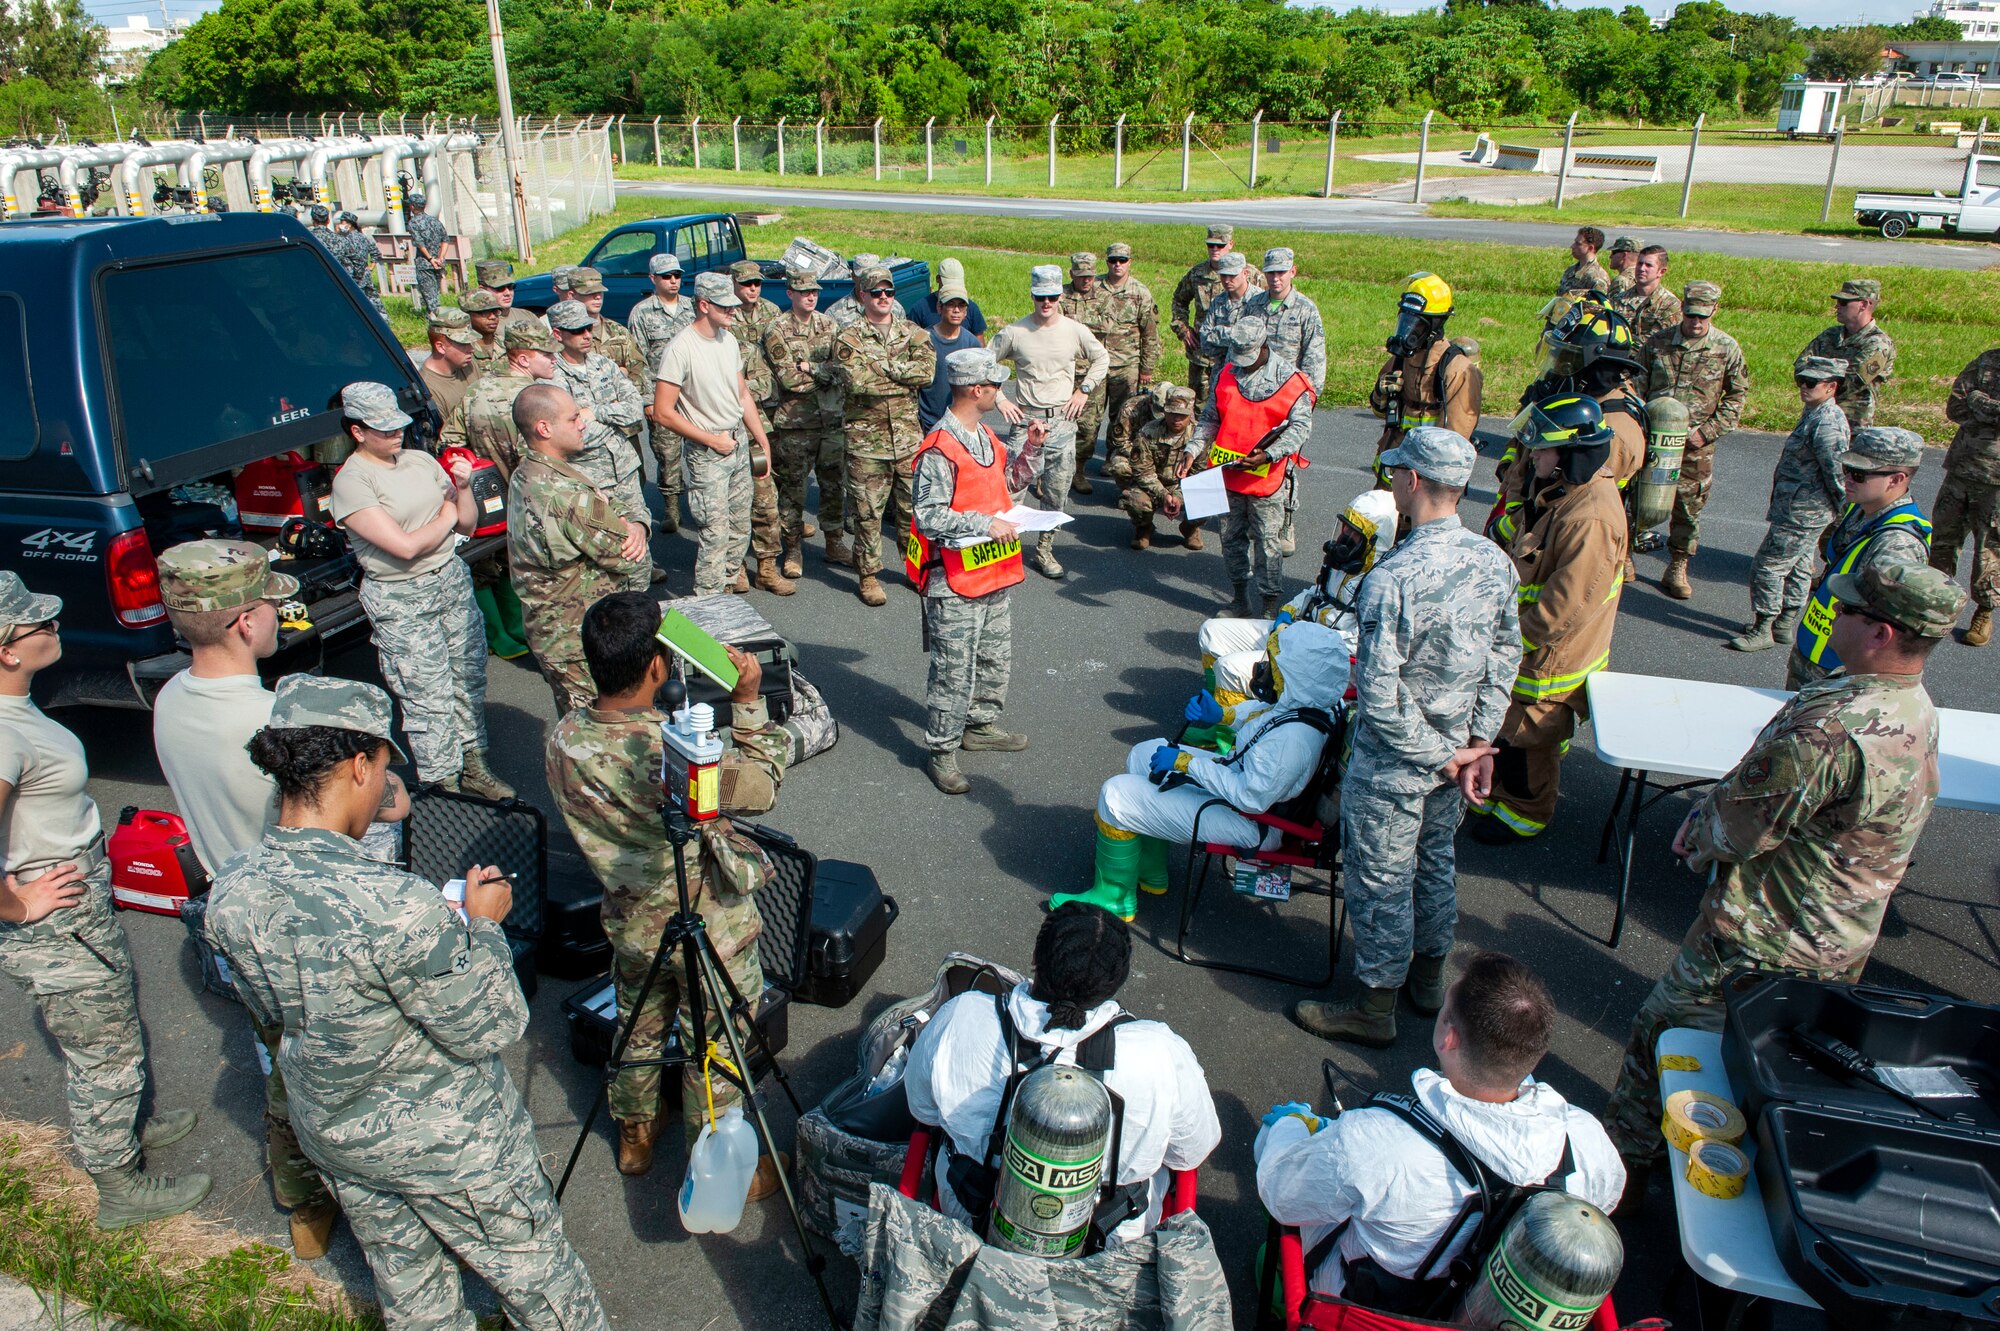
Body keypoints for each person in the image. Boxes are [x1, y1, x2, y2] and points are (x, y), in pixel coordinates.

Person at [207, 675, 610, 1331]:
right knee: (546, 1290)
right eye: (384, 764)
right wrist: (483, 925)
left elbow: (271, 1011)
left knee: (414, 1296)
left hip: (335, 1132)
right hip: (448, 1144)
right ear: (360, 764)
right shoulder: (396, 905)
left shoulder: (232, 890)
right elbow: (491, 1022)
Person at [1602, 561, 1961, 1189]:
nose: (1829, 614)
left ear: (1880, 632)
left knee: (1661, 1038)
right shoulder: (1912, 708)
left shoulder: (1832, 727)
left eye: (1845, 610)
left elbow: (1740, 828)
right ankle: (1736, 1171)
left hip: (1762, 932)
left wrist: (1699, 829)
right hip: (1835, 937)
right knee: (1766, 1064)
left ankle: (1623, 1177)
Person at [545, 593, 788, 1193]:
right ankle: (717, 1167)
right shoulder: (672, 749)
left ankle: (635, 1135)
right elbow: (759, 786)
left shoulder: (564, 738)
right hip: (705, 923)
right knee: (716, 1039)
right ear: (658, 666)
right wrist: (748, 703)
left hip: (628, 918)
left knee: (639, 1022)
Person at [149, 541, 351, 1255]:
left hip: (229, 912)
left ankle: (302, 1205)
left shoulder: (170, 697)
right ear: (243, 621)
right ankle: (348, 1193)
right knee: (335, 1069)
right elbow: (350, 816)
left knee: (276, 1057)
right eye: (269, 602)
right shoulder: (274, 723)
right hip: (297, 920)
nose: (277, 613)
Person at [1292, 429, 1519, 1048]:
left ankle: (1374, 1006)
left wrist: (1447, 756)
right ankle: (1427, 982)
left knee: (1383, 877)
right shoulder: (1493, 561)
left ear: (1413, 483)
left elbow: (1381, 697)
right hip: (1459, 755)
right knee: (1435, 864)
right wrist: (1479, 747)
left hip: (1399, 762)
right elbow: (1505, 658)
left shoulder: (1392, 578)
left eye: (1396, 473)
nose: (1390, 481)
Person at [0, 573, 212, 1230]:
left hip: (77, 904)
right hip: (56, 920)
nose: (52, 624)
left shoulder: (16, 708)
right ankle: (118, 1181)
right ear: (6, 647)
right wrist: (16, 904)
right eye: (37, 622)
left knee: (112, 1021)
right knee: (103, 1048)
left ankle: (132, 1120)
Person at [1258, 952, 1623, 1303]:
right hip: (1484, 1311)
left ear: (1448, 1038)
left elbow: (1282, 1195)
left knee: (1279, 1149)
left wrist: (1289, 1126)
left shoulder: (1375, 1139)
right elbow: (1606, 1198)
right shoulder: (1586, 1139)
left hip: (1376, 1308)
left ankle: (1275, 1282)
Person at [904, 902, 1221, 1245]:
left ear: (1035, 957)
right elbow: (1190, 1152)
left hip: (971, 1226)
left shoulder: (961, 1017)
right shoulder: (1160, 1052)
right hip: (1113, 1253)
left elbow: (923, 1110)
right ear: (1115, 982)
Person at [1059, 619, 1346, 922]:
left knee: (1115, 795)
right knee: (1145, 754)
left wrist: (1188, 764)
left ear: (1297, 676)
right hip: (1249, 795)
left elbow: (1249, 797)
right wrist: (1222, 714)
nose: (1269, 670)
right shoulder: (1314, 703)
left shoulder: (1293, 742)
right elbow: (1268, 719)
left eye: (1277, 667)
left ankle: (1113, 898)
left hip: (1253, 823)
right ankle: (1150, 870)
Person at [330, 382, 509, 798]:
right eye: (384, 429)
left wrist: (461, 490)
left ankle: (474, 765)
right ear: (357, 431)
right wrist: (447, 514)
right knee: (427, 694)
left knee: (468, 677)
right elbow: (404, 547)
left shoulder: (418, 460)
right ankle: (441, 781)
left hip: (448, 578)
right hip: (400, 594)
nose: (397, 434)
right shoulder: (352, 481)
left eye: (399, 426)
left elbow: (467, 523)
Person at [1470, 396, 1627, 846]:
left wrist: (1504, 641)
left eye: (1543, 450)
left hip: (1548, 656)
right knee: (1507, 727)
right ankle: (1498, 793)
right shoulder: (1561, 492)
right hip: (1527, 642)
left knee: (1529, 734)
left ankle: (1527, 814)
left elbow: (1566, 608)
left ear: (1572, 456)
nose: (1533, 455)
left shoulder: (1591, 518)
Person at [908, 348, 1034, 795]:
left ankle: (979, 726)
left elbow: (1009, 483)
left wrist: (1031, 450)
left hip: (993, 571)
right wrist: (985, 524)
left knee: (994, 659)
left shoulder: (985, 435)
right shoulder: (940, 448)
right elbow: (928, 516)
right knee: (953, 670)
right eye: (996, 384)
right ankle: (941, 750)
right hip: (955, 580)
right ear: (976, 390)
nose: (1001, 391)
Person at [507, 385, 651, 715]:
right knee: (595, 731)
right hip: (574, 638)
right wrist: (634, 525)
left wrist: (623, 517)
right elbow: (626, 554)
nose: (583, 423)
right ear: (544, 428)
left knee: (575, 726)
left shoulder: (530, 471)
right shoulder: (564, 493)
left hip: (554, 630)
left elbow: (608, 506)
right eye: (573, 418)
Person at [1194, 489, 1398, 707]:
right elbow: (1315, 592)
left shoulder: (1380, 585)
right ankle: (1216, 705)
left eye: (1355, 533)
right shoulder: (1344, 562)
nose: (1346, 535)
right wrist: (1289, 610)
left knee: (1229, 667)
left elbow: (1363, 643)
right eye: (1345, 527)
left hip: (1324, 660)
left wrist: (1301, 635)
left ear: (1374, 541)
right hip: (1298, 636)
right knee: (1211, 632)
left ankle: (1235, 728)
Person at [1488, 301, 1646, 565]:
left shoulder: (1613, 430)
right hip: (1523, 528)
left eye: (1567, 360)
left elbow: (1569, 501)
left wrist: (1509, 531)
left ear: (1596, 367)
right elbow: (1526, 458)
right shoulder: (1571, 406)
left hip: (1553, 546)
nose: (1557, 368)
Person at [654, 272, 774, 598]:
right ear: (704, 305)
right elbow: (663, 411)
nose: (734, 311)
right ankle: (709, 605)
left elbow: (742, 394)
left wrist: (760, 438)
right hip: (708, 451)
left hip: (736, 443)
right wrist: (711, 440)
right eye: (726, 307)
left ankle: (727, 587)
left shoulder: (728, 339)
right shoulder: (681, 348)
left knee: (740, 527)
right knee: (715, 532)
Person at [1184, 317, 1313, 619]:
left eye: (1248, 357)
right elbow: (1210, 417)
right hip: (1228, 476)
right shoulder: (1227, 371)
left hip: (1266, 480)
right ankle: (1240, 599)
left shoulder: (1291, 381)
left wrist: (1269, 455)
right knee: (1230, 540)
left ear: (1263, 346)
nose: (1241, 364)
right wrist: (1193, 448)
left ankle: (1269, 608)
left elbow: (1301, 428)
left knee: (1268, 546)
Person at [988, 264, 1109, 581]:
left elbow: (1102, 358)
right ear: (1032, 295)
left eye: (1053, 297)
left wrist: (1084, 390)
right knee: (1012, 490)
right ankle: (1005, 551)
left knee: (1056, 495)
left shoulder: (1074, 330)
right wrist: (1000, 398)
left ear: (1060, 296)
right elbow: (985, 362)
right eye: (1041, 297)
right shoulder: (1016, 332)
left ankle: (1044, 550)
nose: (1046, 303)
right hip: (1026, 420)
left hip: (1062, 422)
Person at [1789, 426, 1934, 690]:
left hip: (1839, 671)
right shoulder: (1861, 509)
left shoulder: (1897, 545)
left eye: (1859, 474)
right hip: (1816, 649)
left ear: (1897, 479)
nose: (1847, 479)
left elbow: (1884, 628)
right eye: (1846, 470)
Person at [1728, 356, 1851, 652]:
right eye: (1801, 381)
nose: (1803, 387)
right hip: (1802, 508)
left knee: (1768, 566)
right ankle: (1784, 624)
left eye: (1811, 383)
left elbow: (1837, 473)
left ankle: (1763, 628)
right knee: (1798, 565)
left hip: (1803, 511)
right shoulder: (1815, 413)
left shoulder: (1827, 422)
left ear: (1832, 387)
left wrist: (1841, 511)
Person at [835, 264, 937, 605]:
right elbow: (856, 382)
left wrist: (883, 369)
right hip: (866, 444)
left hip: (908, 441)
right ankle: (868, 576)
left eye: (888, 292)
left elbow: (927, 374)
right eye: (876, 292)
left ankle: (914, 570)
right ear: (862, 295)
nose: (883, 298)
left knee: (913, 513)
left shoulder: (913, 332)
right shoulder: (848, 337)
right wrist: (901, 375)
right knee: (868, 515)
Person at [1645, 281, 1748, 601]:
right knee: (1636, 496)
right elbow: (1635, 382)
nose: (1695, 322)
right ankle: (1625, 558)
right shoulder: (1659, 343)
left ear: (1714, 311)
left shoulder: (1726, 348)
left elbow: (1736, 398)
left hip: (1695, 444)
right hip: (1654, 438)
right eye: (1690, 315)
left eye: (1702, 316)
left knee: (1688, 506)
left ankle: (1677, 565)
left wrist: (1707, 431)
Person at [766, 268, 852, 574]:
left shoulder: (830, 324)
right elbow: (788, 379)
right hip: (795, 425)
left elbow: (844, 370)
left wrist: (812, 368)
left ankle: (834, 543)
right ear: (790, 294)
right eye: (804, 292)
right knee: (793, 491)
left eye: (814, 291)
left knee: (832, 487)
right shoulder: (777, 329)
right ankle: (792, 550)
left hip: (831, 422)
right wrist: (824, 373)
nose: (811, 296)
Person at [547, 299, 652, 544]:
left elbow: (634, 410)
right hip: (589, 476)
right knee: (604, 544)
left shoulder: (604, 364)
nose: (586, 335)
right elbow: (575, 434)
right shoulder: (552, 377)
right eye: (577, 331)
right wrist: (614, 418)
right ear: (558, 334)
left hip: (624, 469)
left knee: (639, 537)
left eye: (589, 328)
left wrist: (594, 412)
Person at [1244, 247, 1326, 557]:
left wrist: (1305, 404)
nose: (1275, 278)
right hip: (1252, 397)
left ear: (1293, 272)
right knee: (1251, 455)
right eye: (1270, 272)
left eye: (1281, 272)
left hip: (1288, 400)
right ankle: (1254, 512)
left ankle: (1285, 523)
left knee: (1285, 463)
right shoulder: (1252, 305)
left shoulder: (1305, 309)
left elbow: (1314, 362)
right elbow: (1239, 348)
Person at [1368, 274, 1481, 486]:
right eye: (1405, 320)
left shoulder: (1458, 371)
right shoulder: (1400, 360)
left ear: (1434, 325)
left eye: (1415, 324)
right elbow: (1378, 411)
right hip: (1391, 474)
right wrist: (1379, 394)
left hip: (1426, 480)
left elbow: (1453, 441)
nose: (1407, 329)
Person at [726, 260, 794, 595]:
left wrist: (732, 393)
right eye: (745, 284)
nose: (753, 289)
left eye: (757, 284)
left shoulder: (747, 350)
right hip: (719, 435)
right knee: (729, 506)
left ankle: (767, 567)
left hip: (757, 427)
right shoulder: (693, 348)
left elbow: (765, 382)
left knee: (765, 499)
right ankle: (735, 566)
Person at [1931, 343, 2000, 647]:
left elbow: (1970, 403)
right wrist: (1984, 407)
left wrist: (1978, 401)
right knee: (1944, 539)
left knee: (1990, 549)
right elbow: (1955, 407)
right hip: (1960, 468)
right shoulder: (1987, 360)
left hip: (1996, 482)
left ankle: (1984, 612)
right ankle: (1935, 602)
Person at [628, 252, 697, 534]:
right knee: (668, 455)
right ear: (653, 279)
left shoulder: (693, 309)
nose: (673, 281)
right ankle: (671, 507)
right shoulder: (642, 313)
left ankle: (700, 504)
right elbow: (637, 360)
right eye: (667, 276)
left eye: (677, 276)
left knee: (699, 451)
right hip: (661, 396)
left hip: (692, 395)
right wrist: (647, 400)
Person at [444, 321, 560, 481]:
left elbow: (449, 444)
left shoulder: (475, 390)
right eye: (547, 355)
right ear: (524, 360)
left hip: (487, 491)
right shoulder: (535, 399)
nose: (554, 359)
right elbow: (541, 464)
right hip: (527, 496)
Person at [1170, 223, 1264, 405]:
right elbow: (1179, 300)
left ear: (1231, 244)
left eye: (1220, 245)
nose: (1215, 249)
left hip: (1240, 356)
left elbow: (1269, 304)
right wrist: (1182, 329)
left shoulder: (1250, 274)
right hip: (1202, 353)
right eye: (1210, 245)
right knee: (1199, 406)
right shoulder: (1197, 273)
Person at [1096, 241, 1161, 482]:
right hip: (1097, 365)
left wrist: (1146, 368)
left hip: (1127, 366)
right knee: (1090, 417)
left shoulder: (1140, 292)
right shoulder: (1095, 288)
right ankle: (1080, 462)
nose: (1117, 265)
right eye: (1113, 260)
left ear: (1129, 262)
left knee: (1121, 416)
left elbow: (1150, 333)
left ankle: (1113, 458)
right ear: (1107, 262)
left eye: (1122, 260)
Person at [1800, 278, 1896, 429]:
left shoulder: (1878, 344)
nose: (1837, 306)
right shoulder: (1830, 335)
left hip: (1850, 426)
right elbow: (1801, 366)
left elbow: (1850, 382)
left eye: (1844, 302)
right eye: (1838, 301)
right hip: (1813, 419)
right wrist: (1814, 382)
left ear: (1863, 305)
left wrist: (1815, 379)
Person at [1062, 252, 1121, 495]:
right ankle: (1049, 475)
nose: (1086, 281)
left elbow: (1107, 326)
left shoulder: (1105, 296)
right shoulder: (1060, 295)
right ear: (1071, 274)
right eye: (1081, 276)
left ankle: (1078, 470)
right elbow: (1051, 323)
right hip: (1064, 371)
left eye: (1090, 276)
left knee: (1088, 427)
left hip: (1091, 375)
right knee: (1057, 424)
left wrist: (1072, 325)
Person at [1122, 385, 1200, 550]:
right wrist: (1164, 494)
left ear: (1191, 413)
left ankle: (1190, 528)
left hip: (1183, 485)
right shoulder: (1148, 432)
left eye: (1182, 415)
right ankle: (1144, 528)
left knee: (1211, 499)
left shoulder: (1199, 436)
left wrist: (1177, 495)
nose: (1176, 419)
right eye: (1172, 413)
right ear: (1164, 411)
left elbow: (1199, 473)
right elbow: (1142, 471)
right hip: (1154, 483)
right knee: (1135, 500)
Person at [914, 272, 983, 435]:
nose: (956, 310)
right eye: (951, 305)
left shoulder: (972, 344)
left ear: (966, 311)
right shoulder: (922, 340)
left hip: (963, 426)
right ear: (939, 307)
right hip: (929, 425)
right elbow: (914, 386)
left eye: (961, 306)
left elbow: (979, 387)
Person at [419, 308, 481, 424]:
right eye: (463, 344)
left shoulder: (468, 364)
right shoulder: (428, 389)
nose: (471, 349)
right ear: (440, 347)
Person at [1612, 244, 1680, 348]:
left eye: (1648, 265)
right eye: (1639, 264)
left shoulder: (1670, 305)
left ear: (1661, 272)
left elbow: (1658, 341)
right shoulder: (1618, 300)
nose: (1641, 268)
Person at [907, 257, 988, 336]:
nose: (956, 310)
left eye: (956, 284)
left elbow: (979, 346)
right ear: (938, 279)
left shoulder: (971, 308)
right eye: (949, 284)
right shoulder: (920, 309)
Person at [403, 192, 448, 316]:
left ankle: (437, 322)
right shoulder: (434, 221)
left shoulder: (413, 223)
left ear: (412, 207)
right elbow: (445, 240)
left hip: (425, 263)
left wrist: (430, 258)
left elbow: (419, 243)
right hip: (439, 263)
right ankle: (433, 318)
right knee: (435, 294)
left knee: (430, 297)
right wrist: (440, 258)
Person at [333, 212, 384, 312]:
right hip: (365, 274)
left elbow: (335, 254)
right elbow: (376, 252)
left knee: (354, 302)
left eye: (342, 222)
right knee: (373, 300)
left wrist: (337, 234)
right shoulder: (363, 237)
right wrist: (371, 266)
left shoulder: (344, 239)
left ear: (349, 224)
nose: (340, 225)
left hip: (351, 275)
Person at [474, 258, 541, 331]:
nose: (507, 293)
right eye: (500, 288)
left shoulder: (527, 316)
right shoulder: (479, 325)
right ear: (483, 290)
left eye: (510, 287)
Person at [460, 286, 506, 367]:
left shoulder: (507, 344)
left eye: (495, 311)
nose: (492, 317)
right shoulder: (461, 351)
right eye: (484, 312)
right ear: (467, 315)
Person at [1557, 226, 1610, 296]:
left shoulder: (1597, 277)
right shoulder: (1570, 271)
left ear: (1591, 248)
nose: (1572, 246)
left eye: (1578, 244)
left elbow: (1599, 305)